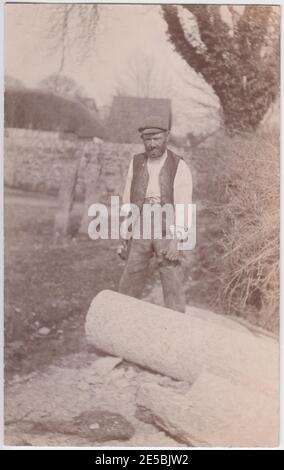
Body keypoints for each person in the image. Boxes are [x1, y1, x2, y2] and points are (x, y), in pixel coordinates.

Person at [118, 115, 192, 313]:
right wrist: (124, 234)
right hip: (141, 220)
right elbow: (128, 198)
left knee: (171, 273)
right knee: (132, 270)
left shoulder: (178, 165)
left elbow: (184, 204)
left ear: (166, 137)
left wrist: (176, 241)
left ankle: (176, 321)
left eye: (156, 138)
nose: (152, 144)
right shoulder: (136, 163)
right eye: (147, 139)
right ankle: (121, 316)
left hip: (167, 222)